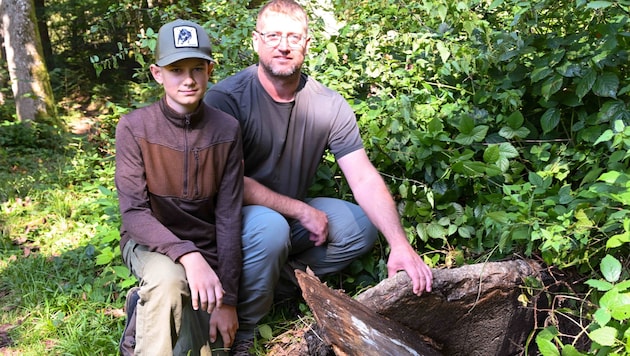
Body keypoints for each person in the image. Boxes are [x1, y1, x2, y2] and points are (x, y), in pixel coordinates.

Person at [203, 0, 434, 350]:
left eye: (294, 37)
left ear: (307, 44)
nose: (284, 45)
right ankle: (241, 332)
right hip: (234, 223)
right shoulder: (226, 99)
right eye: (273, 36)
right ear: (255, 41)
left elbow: (364, 177)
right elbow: (227, 182)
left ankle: (266, 285)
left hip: (285, 219)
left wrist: (400, 245)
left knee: (359, 224)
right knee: (270, 226)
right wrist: (299, 210)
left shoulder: (328, 104)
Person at [116, 19, 244, 355]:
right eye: (176, 69)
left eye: (196, 68)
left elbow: (229, 217)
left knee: (205, 349)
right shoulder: (134, 127)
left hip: (207, 252)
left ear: (210, 70)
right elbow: (134, 213)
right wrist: (188, 255)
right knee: (168, 280)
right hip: (149, 244)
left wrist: (227, 300)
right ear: (157, 73)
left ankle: (140, 311)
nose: (188, 79)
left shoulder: (227, 129)